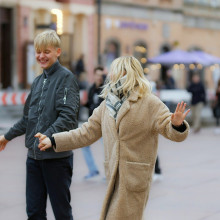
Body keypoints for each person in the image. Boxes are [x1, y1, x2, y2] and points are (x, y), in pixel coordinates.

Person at [36, 56, 190, 220]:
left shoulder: (149, 102)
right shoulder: (107, 104)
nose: (108, 74)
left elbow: (170, 130)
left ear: (125, 72)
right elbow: (85, 133)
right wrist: (53, 140)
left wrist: (177, 125)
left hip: (134, 179)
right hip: (113, 177)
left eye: (113, 70)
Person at [0, 30, 80, 220]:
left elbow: (68, 116)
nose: (41, 56)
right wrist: (6, 137)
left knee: (62, 213)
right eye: (38, 52)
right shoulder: (37, 82)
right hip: (34, 159)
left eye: (47, 51)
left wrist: (49, 136)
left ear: (58, 52)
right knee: (34, 212)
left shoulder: (66, 78)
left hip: (57, 159)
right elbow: (28, 119)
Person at [82, 66, 105, 179]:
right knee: (84, 145)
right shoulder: (91, 88)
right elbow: (91, 104)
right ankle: (93, 170)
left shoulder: (106, 89)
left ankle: (109, 173)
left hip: (103, 124)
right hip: (92, 124)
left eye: (101, 75)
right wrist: (84, 103)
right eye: (98, 74)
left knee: (107, 149)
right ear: (94, 75)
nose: (99, 77)